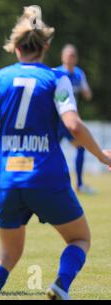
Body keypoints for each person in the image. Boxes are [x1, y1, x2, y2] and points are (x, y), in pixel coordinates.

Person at [0, 6, 111, 300]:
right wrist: (103, 158)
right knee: (79, 239)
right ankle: (60, 286)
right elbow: (74, 126)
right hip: (47, 177)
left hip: (9, 178)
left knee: (8, 255)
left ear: (15, 47)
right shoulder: (57, 79)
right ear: (46, 47)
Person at [56, 44, 95, 194]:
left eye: (73, 55)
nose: (70, 58)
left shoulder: (79, 74)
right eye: (68, 55)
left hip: (70, 121)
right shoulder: (57, 73)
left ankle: (79, 184)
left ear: (76, 58)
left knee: (80, 148)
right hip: (56, 120)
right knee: (48, 151)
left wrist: (86, 92)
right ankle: (40, 181)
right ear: (62, 57)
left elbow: (87, 93)